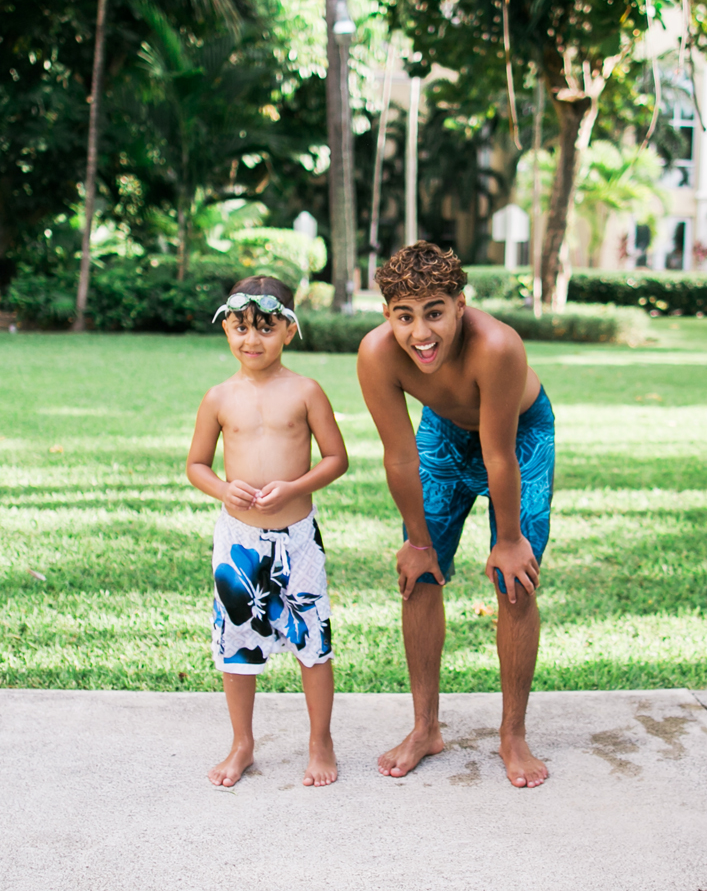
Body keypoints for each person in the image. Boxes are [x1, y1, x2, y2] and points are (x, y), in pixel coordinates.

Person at [356, 242, 555, 788]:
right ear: (387, 315)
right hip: (444, 432)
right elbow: (398, 455)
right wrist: (419, 543)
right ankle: (425, 729)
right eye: (405, 316)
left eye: (435, 312)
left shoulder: (498, 348)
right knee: (421, 575)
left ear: (460, 304)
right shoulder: (377, 354)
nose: (421, 333)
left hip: (519, 435)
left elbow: (500, 455)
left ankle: (512, 734)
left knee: (515, 582)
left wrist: (509, 538)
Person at [186, 275, 349, 788]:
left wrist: (295, 486)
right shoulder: (218, 397)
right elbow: (196, 465)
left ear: (290, 331)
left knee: (313, 642)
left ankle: (320, 742)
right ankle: (242, 744)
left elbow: (337, 458)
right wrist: (221, 489)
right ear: (226, 331)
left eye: (265, 327)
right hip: (239, 541)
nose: (251, 340)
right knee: (237, 644)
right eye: (240, 328)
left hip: (297, 536)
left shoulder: (305, 391)